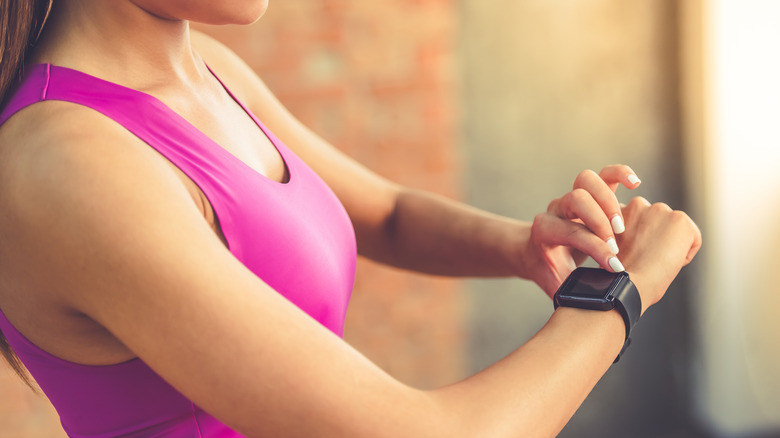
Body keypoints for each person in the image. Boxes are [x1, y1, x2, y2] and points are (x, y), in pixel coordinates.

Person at [0, 1, 702, 437]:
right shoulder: (67, 164)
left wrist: (525, 245)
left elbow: (388, 215)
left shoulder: (203, 69)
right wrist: (622, 290)